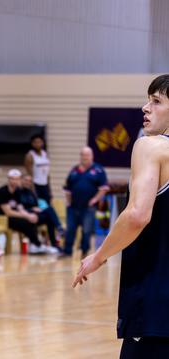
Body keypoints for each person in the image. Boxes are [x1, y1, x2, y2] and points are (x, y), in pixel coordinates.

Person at [73, 75, 169, 358]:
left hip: (156, 302)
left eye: (156, 101)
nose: (145, 108)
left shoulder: (150, 146)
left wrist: (99, 255)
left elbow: (137, 215)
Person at [0, 169, 53, 254]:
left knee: (31, 220)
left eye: (17, 179)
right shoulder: (2, 191)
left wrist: (29, 215)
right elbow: (8, 212)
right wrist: (26, 216)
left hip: (9, 217)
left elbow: (20, 208)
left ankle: (35, 245)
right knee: (25, 222)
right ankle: (36, 244)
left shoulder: (17, 191)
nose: (15, 181)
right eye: (12, 179)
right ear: (9, 179)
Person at [62, 147, 109, 258]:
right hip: (73, 207)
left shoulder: (98, 170)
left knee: (87, 231)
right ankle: (67, 252)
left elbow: (104, 188)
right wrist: (68, 202)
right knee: (70, 229)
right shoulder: (74, 170)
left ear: (92, 156)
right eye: (83, 155)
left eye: (87, 155)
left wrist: (94, 200)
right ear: (80, 156)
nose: (85, 157)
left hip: (89, 207)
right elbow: (67, 188)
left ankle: (84, 252)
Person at [20, 175, 62, 252]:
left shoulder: (31, 192)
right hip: (25, 215)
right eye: (26, 180)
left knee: (49, 216)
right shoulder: (18, 192)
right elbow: (19, 207)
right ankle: (59, 227)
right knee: (49, 211)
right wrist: (31, 209)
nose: (27, 182)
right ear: (21, 180)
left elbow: (36, 204)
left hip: (35, 214)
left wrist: (37, 208)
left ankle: (54, 244)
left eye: (29, 181)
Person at [24, 134, 52, 203]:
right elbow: (29, 174)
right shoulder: (30, 156)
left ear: (42, 143)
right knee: (38, 206)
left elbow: (47, 173)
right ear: (32, 144)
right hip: (36, 185)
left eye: (39, 142)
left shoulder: (45, 154)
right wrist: (33, 190)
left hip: (45, 185)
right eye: (36, 142)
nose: (38, 144)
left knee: (47, 206)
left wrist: (49, 188)